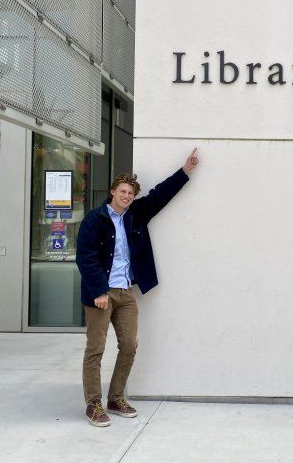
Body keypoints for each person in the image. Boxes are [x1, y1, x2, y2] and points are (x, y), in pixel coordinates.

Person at [76, 148, 200, 427]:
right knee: (95, 349)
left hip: (125, 293)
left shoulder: (135, 214)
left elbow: (159, 195)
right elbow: (85, 257)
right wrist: (98, 291)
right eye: (123, 192)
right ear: (112, 192)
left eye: (130, 193)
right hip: (101, 294)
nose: (127, 197)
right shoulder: (94, 221)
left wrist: (185, 171)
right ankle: (93, 404)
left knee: (129, 346)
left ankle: (115, 398)